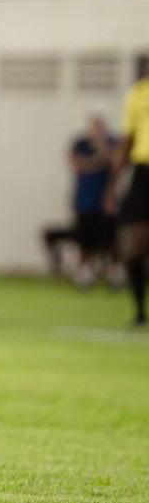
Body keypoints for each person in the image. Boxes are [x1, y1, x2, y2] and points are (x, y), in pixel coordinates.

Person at [107, 55, 149, 327]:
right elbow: (128, 139)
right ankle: (140, 312)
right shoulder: (138, 94)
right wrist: (112, 186)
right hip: (143, 172)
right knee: (134, 245)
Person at [69, 115, 120, 289]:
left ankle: (114, 273)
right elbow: (77, 165)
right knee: (84, 240)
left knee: (110, 240)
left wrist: (101, 147)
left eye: (99, 126)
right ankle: (85, 272)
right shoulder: (80, 143)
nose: (96, 129)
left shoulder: (112, 142)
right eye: (93, 126)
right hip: (84, 201)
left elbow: (116, 164)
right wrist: (99, 162)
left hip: (105, 202)